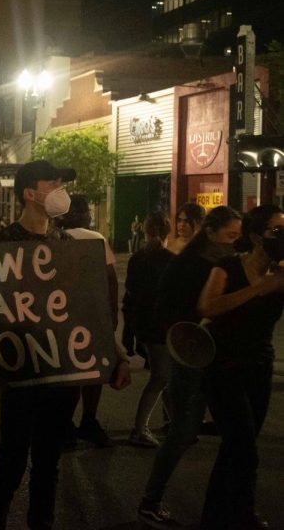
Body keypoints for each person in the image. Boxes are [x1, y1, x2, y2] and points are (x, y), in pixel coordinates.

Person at [0, 161, 131, 530]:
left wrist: (116, 356)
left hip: (61, 375)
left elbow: (87, 313)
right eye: (51, 181)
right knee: (9, 466)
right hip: (21, 374)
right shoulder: (1, 245)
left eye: (62, 181)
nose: (60, 187)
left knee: (47, 466)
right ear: (29, 193)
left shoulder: (68, 245)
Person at [137, 205, 242, 528]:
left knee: (237, 432)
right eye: (230, 235)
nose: (233, 242)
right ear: (210, 232)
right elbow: (167, 309)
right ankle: (150, 501)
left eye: (238, 236)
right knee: (182, 431)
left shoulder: (226, 263)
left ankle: (234, 505)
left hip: (220, 358)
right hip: (191, 355)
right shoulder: (189, 265)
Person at [196, 205, 284, 530]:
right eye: (276, 230)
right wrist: (259, 289)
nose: (281, 236)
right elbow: (207, 305)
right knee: (244, 448)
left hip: (259, 366)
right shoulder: (228, 267)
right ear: (255, 235)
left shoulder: (281, 273)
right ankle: (242, 513)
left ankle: (217, 516)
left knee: (235, 447)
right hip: (224, 367)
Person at [55, 194, 120, 449]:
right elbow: (111, 280)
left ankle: (65, 424)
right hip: (93, 313)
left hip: (62, 314)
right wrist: (111, 315)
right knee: (94, 371)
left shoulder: (54, 239)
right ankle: (89, 420)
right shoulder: (96, 239)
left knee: (69, 372)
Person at [125, 212, 175, 448]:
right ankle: (139, 429)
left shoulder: (137, 259)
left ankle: (174, 422)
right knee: (161, 377)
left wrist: (129, 330)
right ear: (167, 232)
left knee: (165, 375)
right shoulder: (170, 261)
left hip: (144, 325)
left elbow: (131, 296)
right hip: (162, 327)